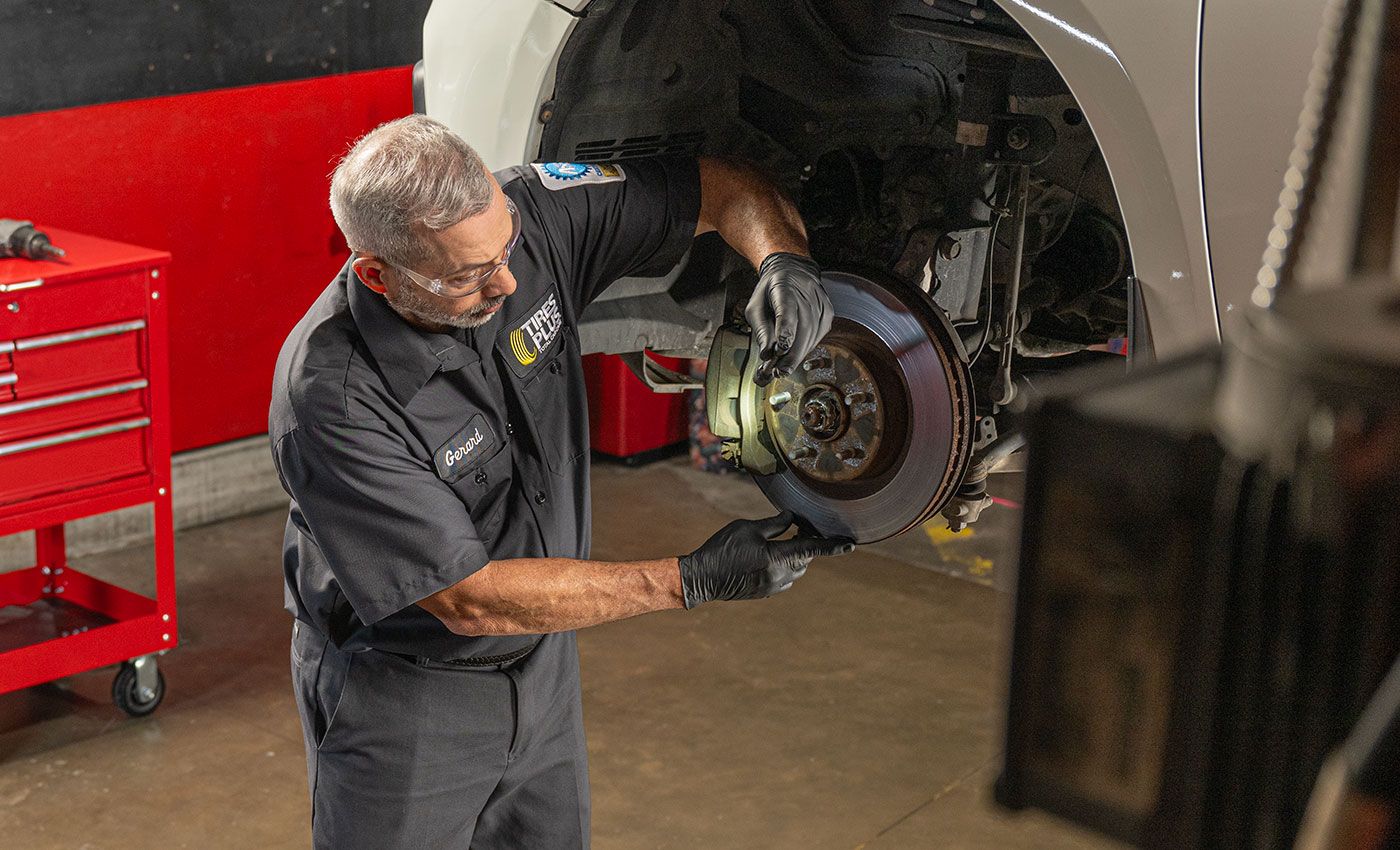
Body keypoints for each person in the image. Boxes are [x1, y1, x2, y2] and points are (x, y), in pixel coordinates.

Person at [269, 114, 853, 849]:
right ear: (377, 274)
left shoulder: (532, 212)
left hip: (544, 671)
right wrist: (690, 579)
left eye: (505, 246)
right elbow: (470, 600)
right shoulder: (333, 397)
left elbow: (722, 185)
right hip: (407, 700)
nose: (508, 281)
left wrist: (783, 264)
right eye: (468, 277)